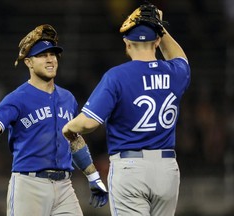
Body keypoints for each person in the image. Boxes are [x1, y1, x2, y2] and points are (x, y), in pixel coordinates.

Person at [62, 4, 191, 216]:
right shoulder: (175, 73)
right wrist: (160, 27)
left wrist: (69, 126)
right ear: (157, 41)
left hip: (131, 168)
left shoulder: (117, 76)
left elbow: (88, 123)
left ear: (127, 43)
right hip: (167, 169)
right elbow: (180, 58)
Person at [0, 24, 108, 216]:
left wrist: (93, 176)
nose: (50, 59)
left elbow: (74, 139)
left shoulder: (68, 98)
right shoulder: (18, 98)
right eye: (42, 55)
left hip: (65, 186)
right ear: (28, 62)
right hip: (29, 185)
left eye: (53, 54)